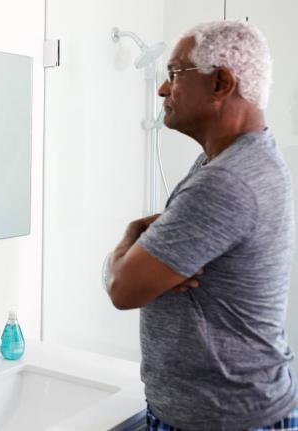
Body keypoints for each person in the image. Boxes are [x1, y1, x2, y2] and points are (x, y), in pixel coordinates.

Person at [106, 21, 297, 430]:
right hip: (226, 409)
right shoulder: (235, 159)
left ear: (220, 84)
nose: (162, 89)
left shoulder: (226, 180)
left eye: (175, 73)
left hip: (224, 418)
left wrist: (130, 237)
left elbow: (122, 288)